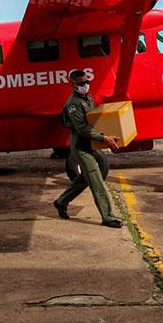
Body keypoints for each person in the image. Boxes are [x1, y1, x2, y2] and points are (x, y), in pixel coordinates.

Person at [53, 70, 123, 228]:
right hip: (81, 146)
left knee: (85, 178)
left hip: (91, 143)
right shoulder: (73, 104)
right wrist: (104, 138)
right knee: (96, 180)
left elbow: (94, 118)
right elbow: (83, 129)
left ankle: (61, 201)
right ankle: (108, 217)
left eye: (86, 82)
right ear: (74, 84)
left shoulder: (88, 97)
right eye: (81, 83)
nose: (85, 85)